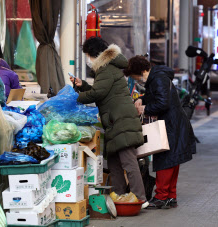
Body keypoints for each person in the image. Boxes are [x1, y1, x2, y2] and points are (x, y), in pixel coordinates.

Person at [70, 37, 147, 205]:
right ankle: (119, 195)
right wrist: (82, 85)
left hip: (120, 120)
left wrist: (74, 98)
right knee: (113, 160)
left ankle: (139, 197)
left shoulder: (105, 69)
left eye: (88, 55)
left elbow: (97, 94)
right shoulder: (107, 68)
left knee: (128, 160)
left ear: (94, 54)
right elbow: (99, 91)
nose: (88, 60)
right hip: (115, 120)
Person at [124, 56, 195, 209]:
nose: (137, 81)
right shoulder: (158, 76)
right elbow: (156, 95)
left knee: (165, 160)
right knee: (173, 160)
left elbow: (162, 102)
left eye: (136, 77)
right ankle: (171, 196)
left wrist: (145, 109)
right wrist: (142, 99)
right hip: (174, 122)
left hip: (171, 123)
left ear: (141, 71)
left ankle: (161, 196)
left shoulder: (157, 79)